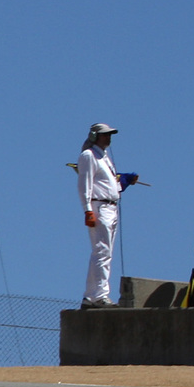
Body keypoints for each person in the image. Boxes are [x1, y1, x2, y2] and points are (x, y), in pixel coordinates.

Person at [77, 123, 123, 307]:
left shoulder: (104, 157)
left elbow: (108, 183)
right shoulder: (89, 155)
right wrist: (87, 209)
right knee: (102, 252)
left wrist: (123, 182)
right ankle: (99, 295)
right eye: (105, 135)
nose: (108, 138)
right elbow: (84, 184)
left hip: (111, 206)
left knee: (105, 253)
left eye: (109, 134)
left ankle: (92, 295)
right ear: (95, 136)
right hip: (100, 207)